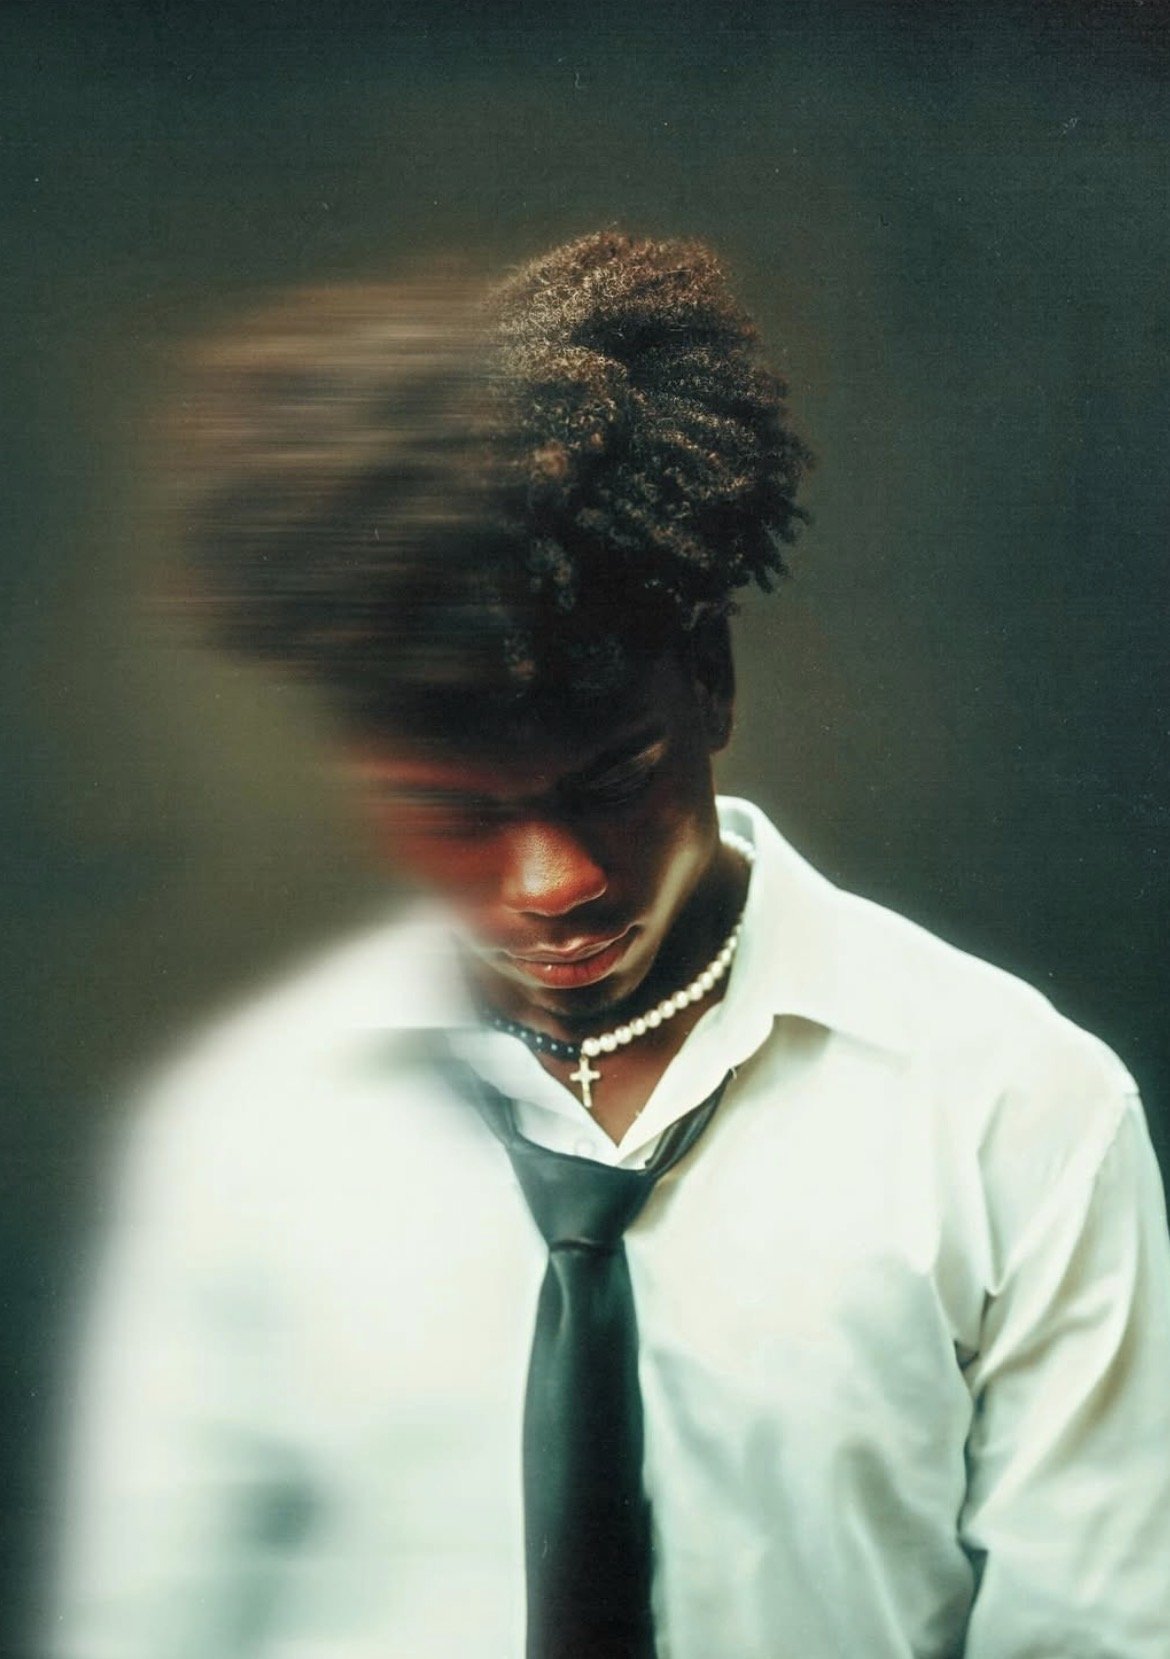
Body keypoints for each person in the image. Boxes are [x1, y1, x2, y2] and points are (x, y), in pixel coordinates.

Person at [50, 231, 1170, 1658]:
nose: (553, 879)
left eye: (608, 779)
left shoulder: (1017, 1109)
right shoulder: (246, 1132)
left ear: (709, 683)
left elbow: (1092, 1634)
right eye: (458, 813)